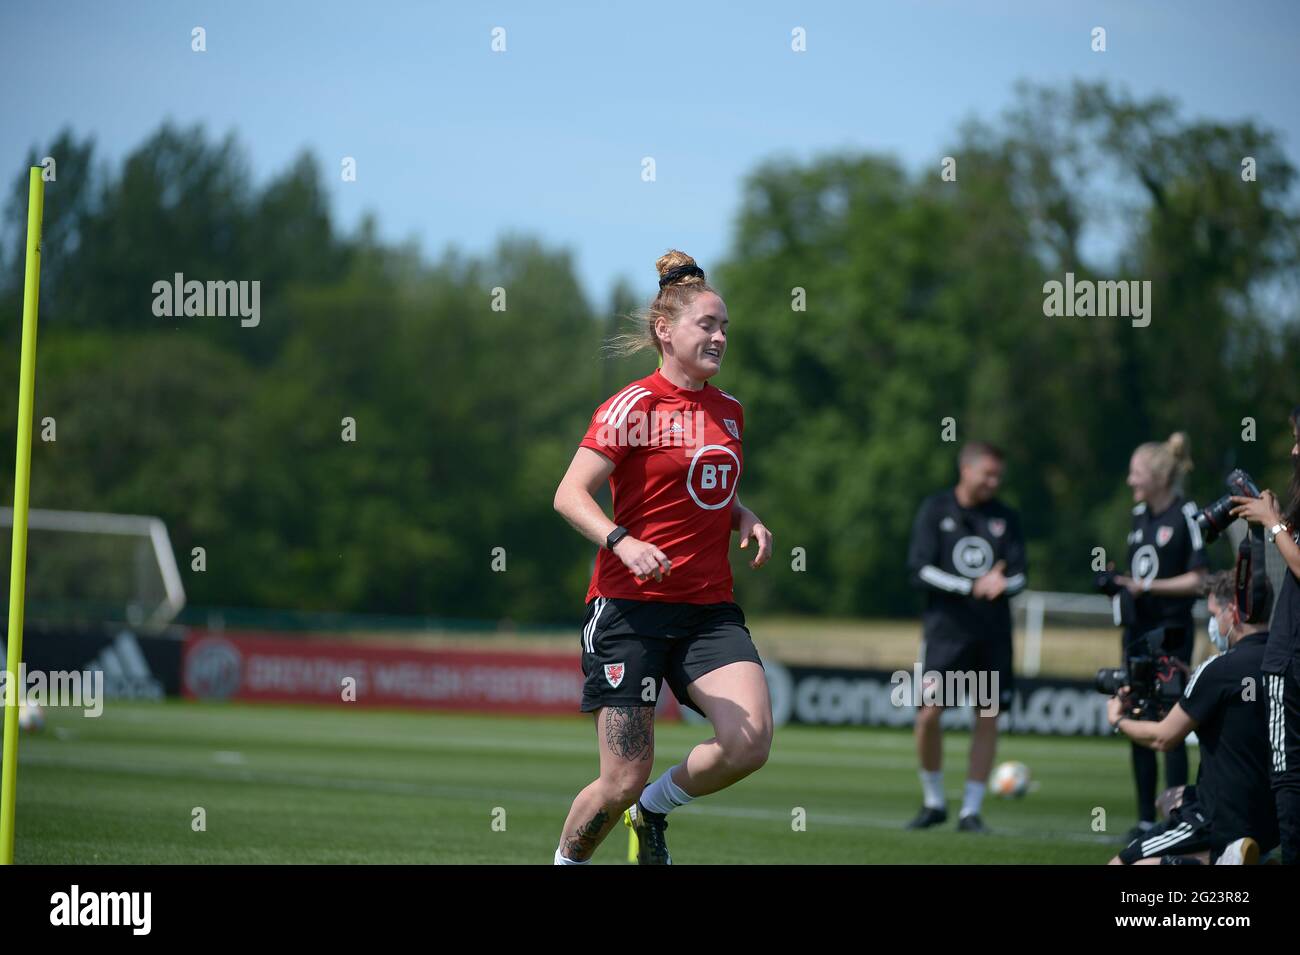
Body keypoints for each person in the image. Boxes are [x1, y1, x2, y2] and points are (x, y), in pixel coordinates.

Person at [550, 250, 774, 865]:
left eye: (725, 326)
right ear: (665, 331)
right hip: (629, 610)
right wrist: (621, 539)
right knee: (619, 777)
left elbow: (701, 484)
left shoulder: (729, 410)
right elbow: (569, 495)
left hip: (707, 611)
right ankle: (568, 862)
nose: (720, 336)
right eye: (707, 325)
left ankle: (652, 810)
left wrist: (741, 515)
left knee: (749, 743)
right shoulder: (634, 408)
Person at [1107, 571, 1279, 864]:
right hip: (1272, 816)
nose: (1213, 623)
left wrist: (1118, 720)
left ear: (1233, 611)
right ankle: (1236, 857)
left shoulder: (1219, 670)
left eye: (1214, 613)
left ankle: (1214, 859)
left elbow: (1163, 737)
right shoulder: (1286, 661)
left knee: (1121, 864)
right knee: (1169, 799)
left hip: (1222, 815)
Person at [905, 442, 1026, 833]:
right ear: (966, 470)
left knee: (987, 716)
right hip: (945, 635)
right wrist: (970, 585)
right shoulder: (936, 509)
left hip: (992, 635)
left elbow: (1021, 575)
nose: (993, 482)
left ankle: (971, 810)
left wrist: (1001, 583)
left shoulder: (1006, 517)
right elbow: (919, 569)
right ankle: (934, 801)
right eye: (987, 474)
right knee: (928, 714)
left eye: (998, 476)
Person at [1110, 432, 1208, 843]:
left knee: (1169, 723)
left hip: (1170, 635)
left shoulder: (1186, 514)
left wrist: (1145, 587)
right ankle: (1145, 819)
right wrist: (1118, 584)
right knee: (1136, 715)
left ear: (1158, 476)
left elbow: (1201, 579)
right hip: (1136, 634)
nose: (1131, 480)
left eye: (1136, 473)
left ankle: (1176, 815)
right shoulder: (1138, 516)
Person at [1231, 405, 1300, 864]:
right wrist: (1273, 521)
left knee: (1289, 773)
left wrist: (1275, 525)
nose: (1294, 448)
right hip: (1287, 649)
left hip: (1290, 656)